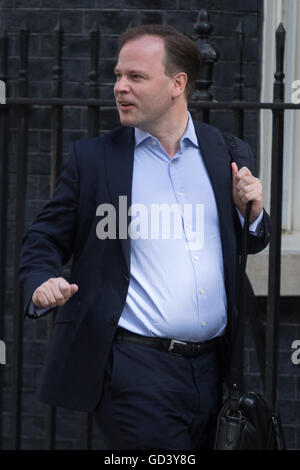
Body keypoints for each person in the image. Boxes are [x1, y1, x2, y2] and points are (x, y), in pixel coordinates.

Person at [18, 24, 271, 450]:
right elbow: (43, 237)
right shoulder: (95, 161)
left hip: (213, 368)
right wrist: (41, 280)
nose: (120, 87)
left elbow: (249, 243)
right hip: (135, 370)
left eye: (135, 77)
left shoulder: (224, 152)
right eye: (118, 76)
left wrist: (255, 213)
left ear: (178, 84)